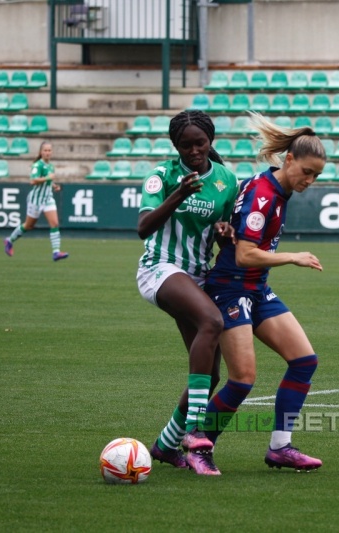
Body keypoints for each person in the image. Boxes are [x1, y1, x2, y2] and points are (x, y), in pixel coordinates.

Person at [197, 111, 327, 476]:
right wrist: (293, 257)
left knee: (304, 360)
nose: (310, 180)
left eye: (316, 175)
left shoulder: (279, 189)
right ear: (289, 160)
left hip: (256, 288)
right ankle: (198, 445)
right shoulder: (263, 194)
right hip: (229, 289)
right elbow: (244, 253)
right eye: (306, 172)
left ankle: (280, 448)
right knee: (242, 379)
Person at [135, 110, 239, 474]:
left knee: (210, 375)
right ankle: (195, 430)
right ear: (174, 145)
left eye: (200, 143)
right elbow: (144, 227)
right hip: (159, 269)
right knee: (212, 321)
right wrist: (177, 193)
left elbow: (224, 236)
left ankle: (164, 445)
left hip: (197, 275)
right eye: (186, 145)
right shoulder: (162, 176)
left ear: (211, 141)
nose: (194, 150)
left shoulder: (226, 180)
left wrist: (226, 236)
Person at [4, 141, 69, 261]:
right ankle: (9, 240)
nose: (47, 152)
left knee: (54, 223)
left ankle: (56, 252)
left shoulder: (50, 166)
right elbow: (33, 181)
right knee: (28, 226)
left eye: (49, 150)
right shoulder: (37, 165)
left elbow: (47, 181)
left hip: (48, 198)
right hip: (36, 200)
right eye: (45, 150)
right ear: (41, 152)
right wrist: (47, 178)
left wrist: (53, 185)